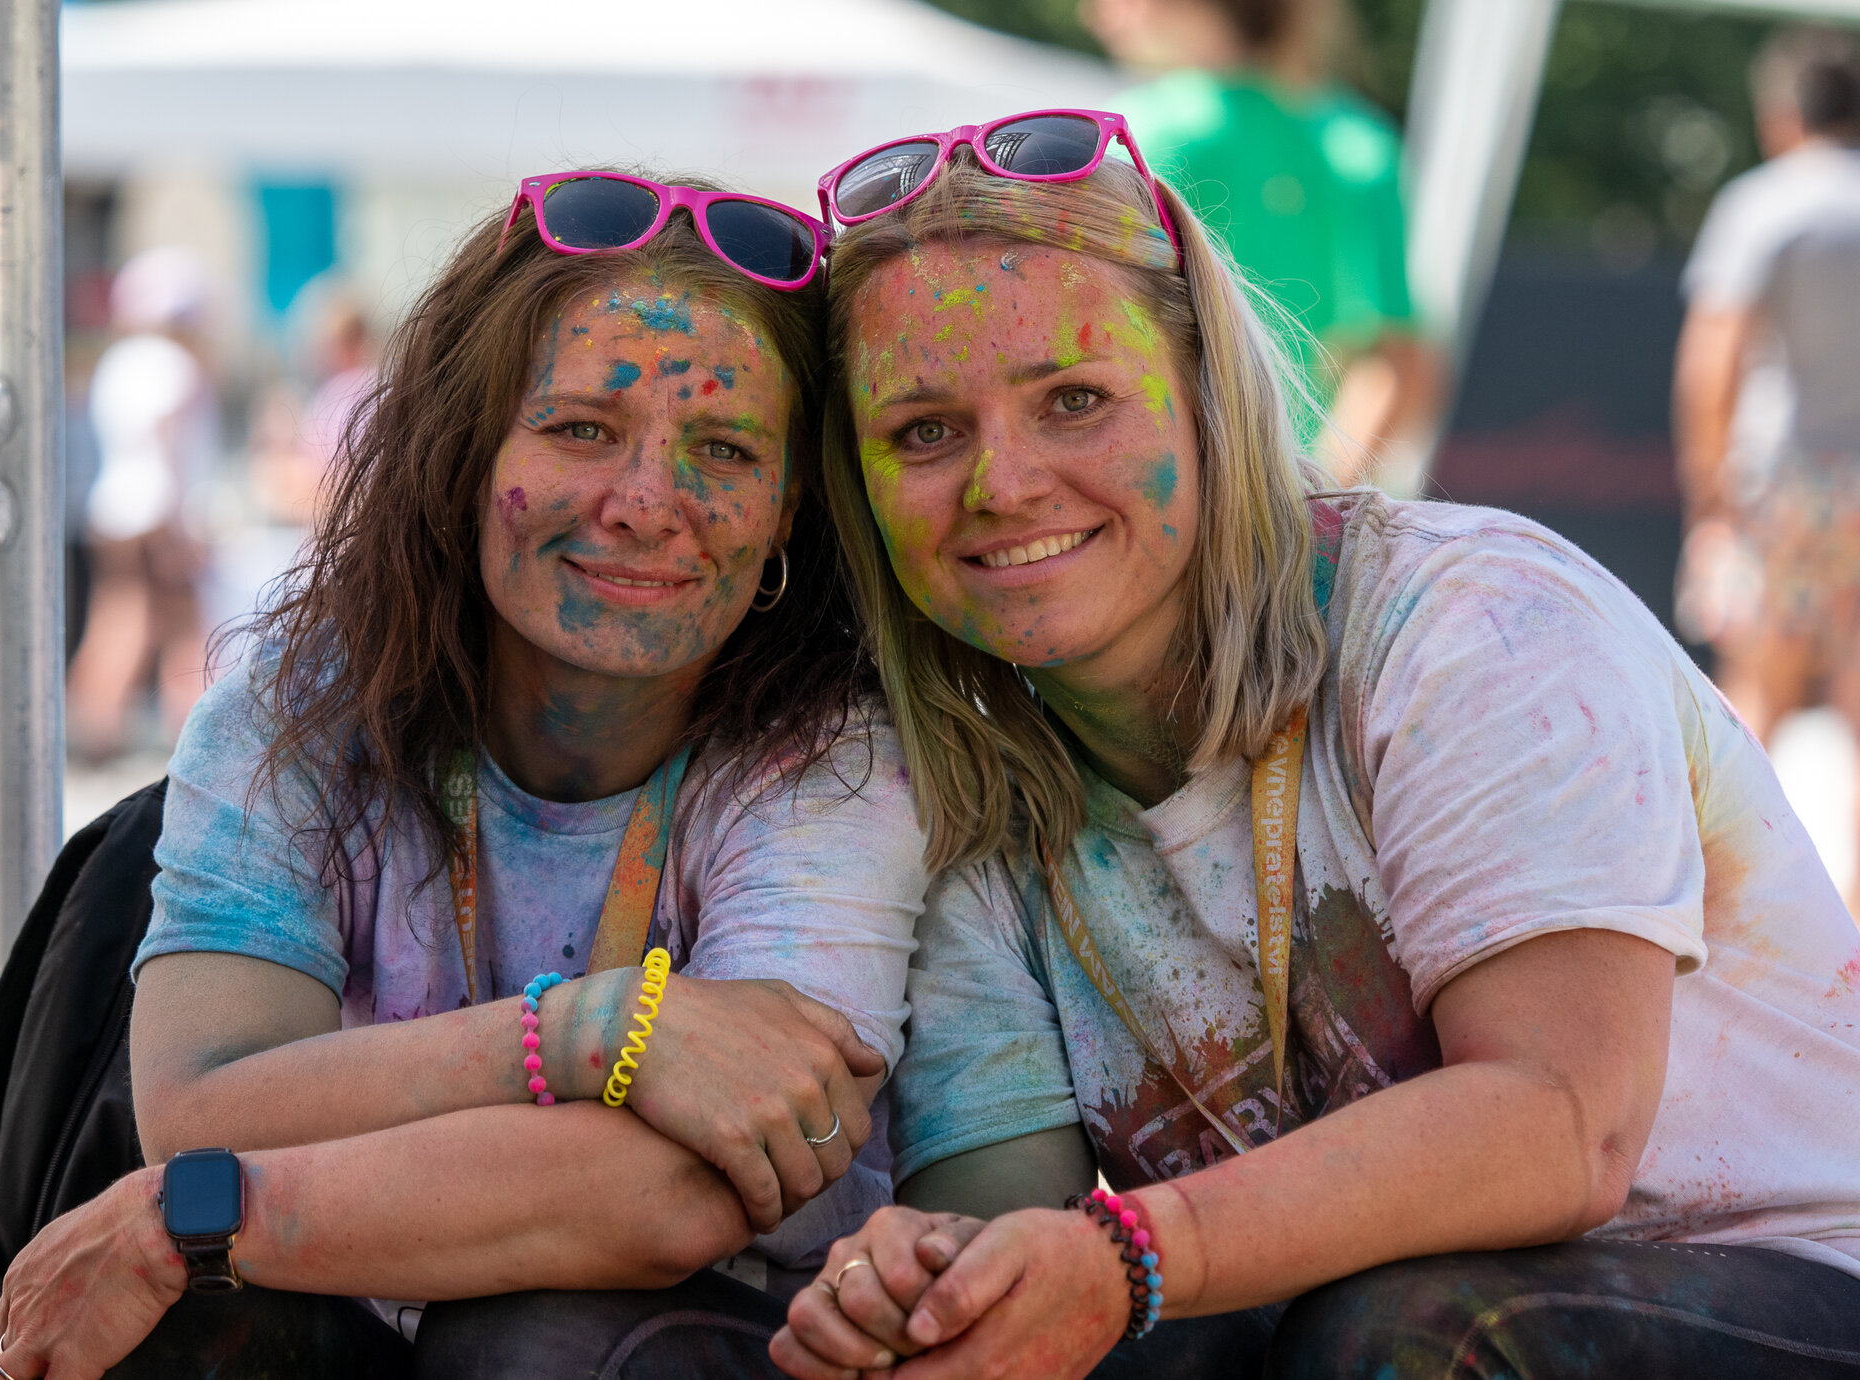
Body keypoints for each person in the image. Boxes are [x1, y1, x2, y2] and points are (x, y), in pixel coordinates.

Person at [776, 114, 1860, 1380]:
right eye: (922, 431)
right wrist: (926, 1290)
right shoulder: (959, 783)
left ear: (1206, 400)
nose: (1001, 484)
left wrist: (1130, 1254)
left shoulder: (1470, 623)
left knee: (1405, 1335)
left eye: (1073, 401)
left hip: (1776, 1282)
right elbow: (1014, 1221)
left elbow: (1560, 1125)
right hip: (1324, 1319)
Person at [0, 172, 929, 1380]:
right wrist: (587, 1033)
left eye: (725, 449)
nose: (646, 504)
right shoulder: (298, 709)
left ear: (789, 507)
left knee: (532, 1336)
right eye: (581, 430)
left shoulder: (829, 764)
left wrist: (195, 1219)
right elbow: (198, 1109)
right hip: (349, 1338)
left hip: (687, 1350)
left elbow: (679, 1194)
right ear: (464, 453)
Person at [1080, 0, 1442, 488]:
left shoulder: (1138, 138)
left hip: (1186, 501)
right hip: (1315, 500)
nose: (1093, 13)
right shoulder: (1361, 146)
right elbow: (1399, 366)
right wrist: (1314, 500)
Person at [1675, 26, 1860, 903]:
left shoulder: (1764, 204)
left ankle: (1722, 908)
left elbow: (1714, 360)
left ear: (1782, 113)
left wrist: (1709, 495)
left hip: (1782, 480)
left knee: (1755, 696)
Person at [66, 246, 223, 760]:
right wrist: (182, 524)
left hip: (112, 510)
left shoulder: (116, 362)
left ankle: (92, 725)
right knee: (186, 628)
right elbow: (168, 437)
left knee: (118, 616)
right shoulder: (175, 364)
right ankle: (200, 738)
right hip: (159, 514)